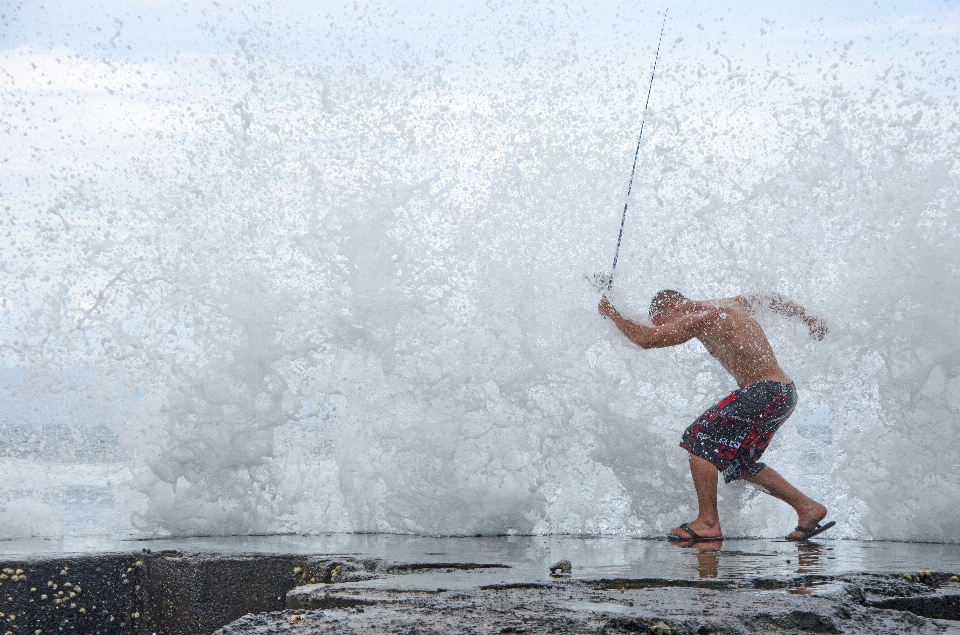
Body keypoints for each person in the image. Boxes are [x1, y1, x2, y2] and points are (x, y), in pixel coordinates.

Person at [598, 289, 834, 541]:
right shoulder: (731, 304)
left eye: (664, 322)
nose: (671, 327)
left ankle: (708, 522)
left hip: (765, 392)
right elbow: (770, 298)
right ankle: (807, 508)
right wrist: (807, 317)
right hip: (783, 394)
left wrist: (612, 313)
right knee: (737, 464)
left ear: (672, 306)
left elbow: (645, 339)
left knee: (699, 437)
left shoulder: (703, 314)